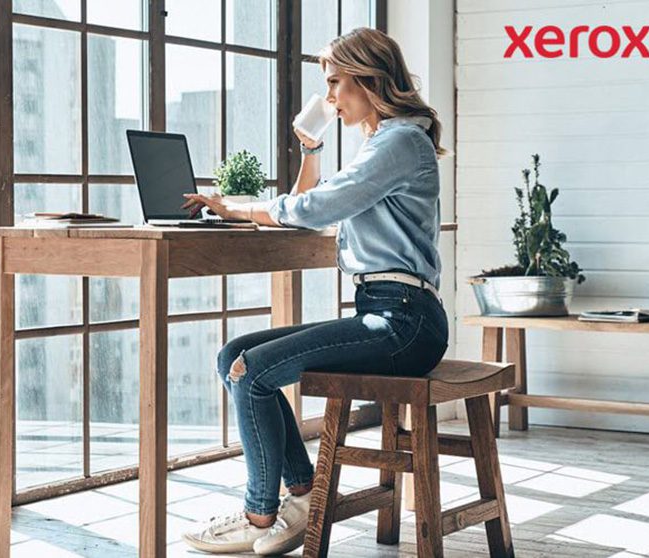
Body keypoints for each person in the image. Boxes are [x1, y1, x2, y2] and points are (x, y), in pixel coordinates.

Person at [179, 27, 451, 556]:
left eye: (335, 83)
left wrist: (237, 208)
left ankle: (261, 513)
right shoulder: (382, 144)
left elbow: (312, 210)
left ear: (368, 79)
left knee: (252, 373)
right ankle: (303, 495)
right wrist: (311, 146)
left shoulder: (399, 141)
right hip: (387, 311)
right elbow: (306, 207)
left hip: (404, 320)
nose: (329, 98)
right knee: (235, 356)